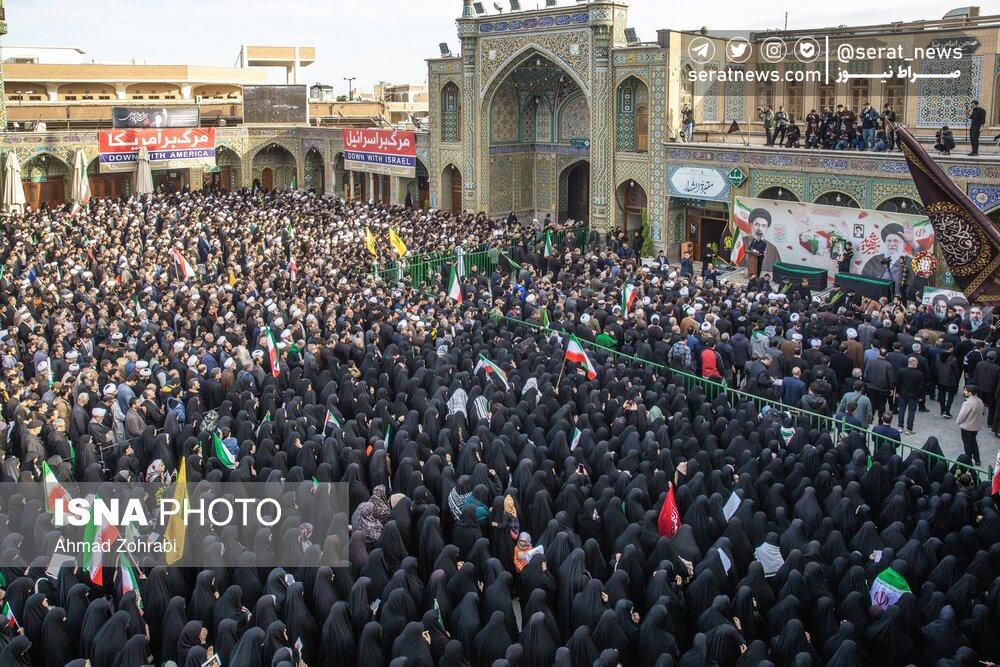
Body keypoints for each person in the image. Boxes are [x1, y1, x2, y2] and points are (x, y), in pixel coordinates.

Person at [955, 384, 985, 465]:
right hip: (976, 427)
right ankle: (977, 459)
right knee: (973, 442)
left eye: (965, 390)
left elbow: (962, 416)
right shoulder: (979, 401)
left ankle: (968, 461)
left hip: (967, 427)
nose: (964, 392)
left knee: (967, 445)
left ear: (970, 392)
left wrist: (958, 422)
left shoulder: (967, 403)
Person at [896, 356, 924, 434]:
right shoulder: (919, 374)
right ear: (914, 363)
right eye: (917, 363)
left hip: (902, 394)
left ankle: (900, 426)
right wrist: (920, 396)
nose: (917, 364)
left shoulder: (901, 371)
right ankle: (909, 428)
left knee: (901, 410)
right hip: (913, 396)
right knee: (911, 412)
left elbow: (898, 383)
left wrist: (897, 392)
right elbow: (920, 387)